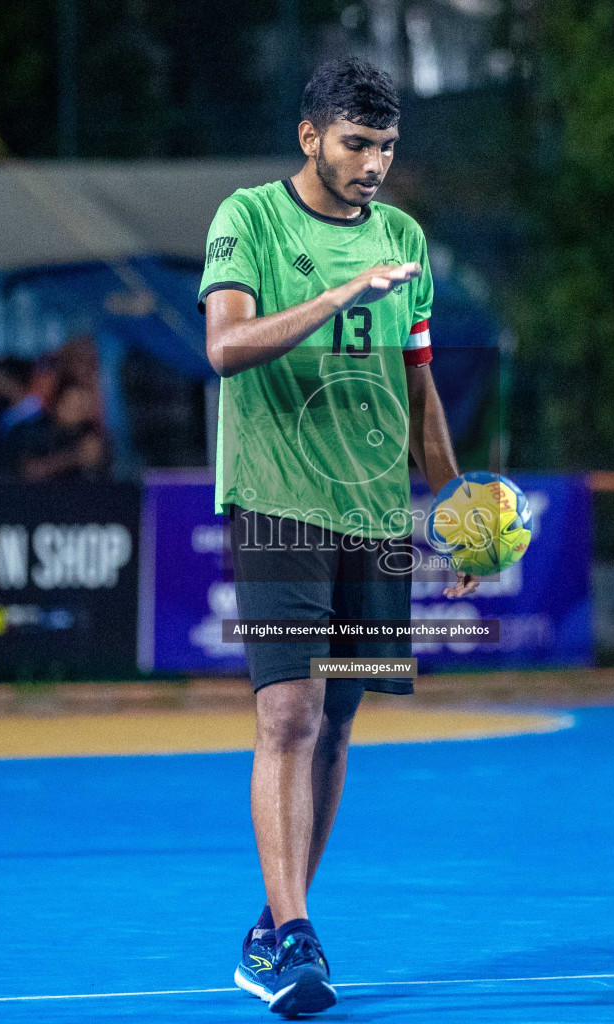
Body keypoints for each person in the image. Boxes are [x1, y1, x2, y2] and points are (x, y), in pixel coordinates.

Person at [200, 57, 475, 1016]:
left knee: (340, 723)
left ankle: (277, 927)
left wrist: (455, 504)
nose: (374, 164)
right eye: (358, 144)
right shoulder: (249, 220)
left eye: (388, 147)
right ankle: (299, 936)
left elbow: (418, 384)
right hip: (279, 499)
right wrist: (335, 297)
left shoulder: (405, 237)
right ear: (312, 136)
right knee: (288, 716)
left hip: (371, 511)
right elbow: (224, 347)